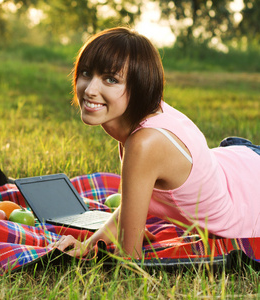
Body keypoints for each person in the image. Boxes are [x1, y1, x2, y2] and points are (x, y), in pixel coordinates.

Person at [54, 27, 260, 259]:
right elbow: (128, 211)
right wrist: (89, 244)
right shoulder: (146, 113)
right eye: (85, 73)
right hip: (242, 163)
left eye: (111, 79)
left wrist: (96, 253)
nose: (90, 90)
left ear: (139, 86)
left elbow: (129, 257)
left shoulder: (145, 143)